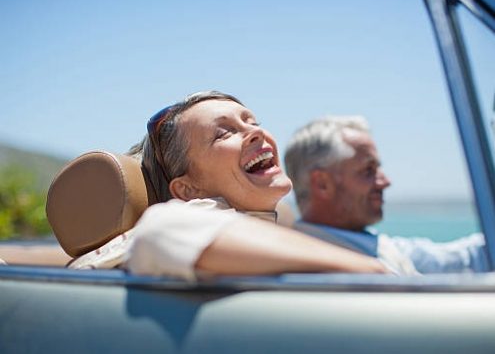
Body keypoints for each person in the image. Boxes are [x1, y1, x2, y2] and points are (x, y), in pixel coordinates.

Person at [69, 91, 391, 278]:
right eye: (223, 133)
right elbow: (162, 230)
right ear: (188, 190)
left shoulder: (250, 235)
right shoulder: (193, 216)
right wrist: (371, 272)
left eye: (252, 122)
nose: (256, 133)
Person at [284, 115, 488, 274]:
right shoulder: (316, 264)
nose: (385, 182)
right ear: (322, 184)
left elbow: (456, 259)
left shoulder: (371, 244)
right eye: (368, 171)